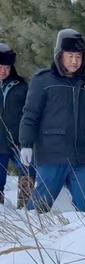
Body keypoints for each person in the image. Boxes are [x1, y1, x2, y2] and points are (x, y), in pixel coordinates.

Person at [19, 29, 85, 214]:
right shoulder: (43, 80)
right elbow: (30, 115)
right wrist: (26, 144)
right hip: (52, 155)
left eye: (78, 56)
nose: (74, 61)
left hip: (81, 157)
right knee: (39, 208)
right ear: (59, 55)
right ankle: (29, 236)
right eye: (70, 55)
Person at [0, 43, 35, 207]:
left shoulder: (21, 86)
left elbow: (30, 112)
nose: (3, 71)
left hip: (17, 141)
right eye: (0, 67)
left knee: (28, 168)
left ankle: (26, 205)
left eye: (6, 67)